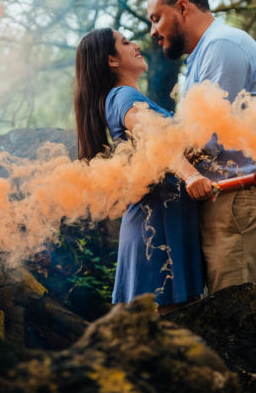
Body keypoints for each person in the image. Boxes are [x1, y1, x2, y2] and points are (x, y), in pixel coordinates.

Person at [146, 0, 256, 293]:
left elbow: (204, 138)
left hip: (243, 201)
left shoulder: (222, 46)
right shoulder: (205, 53)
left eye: (156, 18)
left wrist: (156, 153)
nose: (153, 31)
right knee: (225, 313)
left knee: (235, 317)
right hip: (231, 201)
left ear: (182, 7)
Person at [74, 27, 213, 314]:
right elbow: (153, 136)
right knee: (166, 330)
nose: (136, 44)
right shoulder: (123, 95)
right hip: (156, 226)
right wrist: (192, 175)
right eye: (125, 42)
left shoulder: (123, 97)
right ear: (112, 60)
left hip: (163, 221)